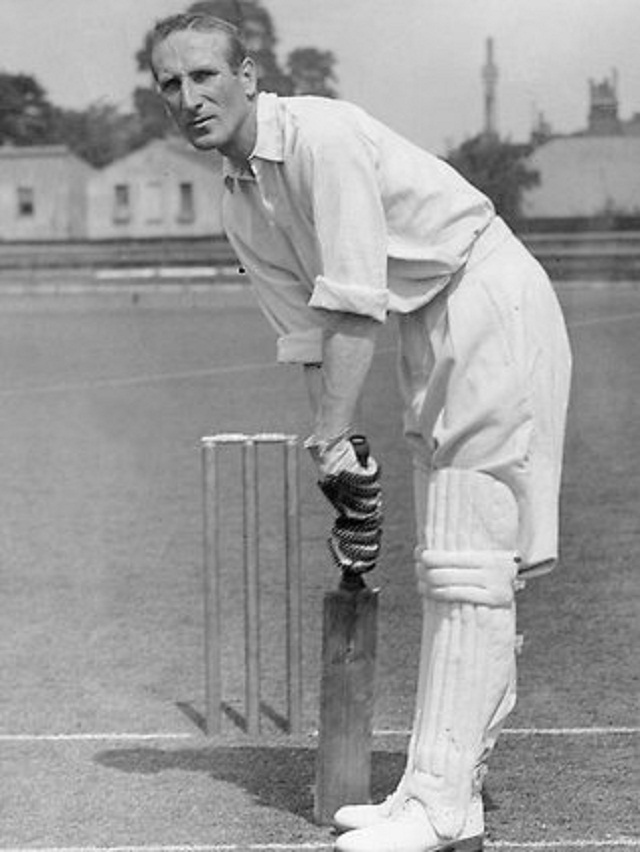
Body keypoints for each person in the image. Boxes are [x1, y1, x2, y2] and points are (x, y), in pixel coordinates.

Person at [149, 12, 572, 852]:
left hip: (486, 297)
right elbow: (309, 334)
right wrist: (333, 452)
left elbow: (352, 299)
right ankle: (433, 790)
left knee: (470, 563)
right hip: (432, 325)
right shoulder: (241, 199)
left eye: (204, 76)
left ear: (248, 76)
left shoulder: (322, 139)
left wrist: (335, 439)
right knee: (448, 559)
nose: (188, 98)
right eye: (170, 83)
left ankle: (443, 805)